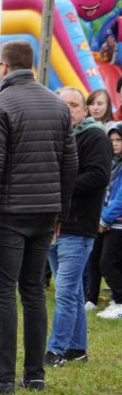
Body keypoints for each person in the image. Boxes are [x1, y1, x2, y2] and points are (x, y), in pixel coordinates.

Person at [0, 40, 78, 395]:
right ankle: (35, 374)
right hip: (45, 212)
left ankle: (0, 379)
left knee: (2, 292)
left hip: (11, 212)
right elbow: (69, 164)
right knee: (34, 292)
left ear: (5, 68)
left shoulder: (1, 105)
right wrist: (62, 211)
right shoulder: (58, 106)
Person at [44, 86, 111, 367]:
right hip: (55, 224)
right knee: (69, 291)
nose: (69, 110)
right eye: (64, 105)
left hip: (78, 224)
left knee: (65, 291)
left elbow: (98, 175)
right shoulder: (57, 138)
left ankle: (55, 350)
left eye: (74, 105)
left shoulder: (94, 135)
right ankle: (76, 348)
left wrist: (59, 189)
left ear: (84, 109)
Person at [87, 122, 122, 311]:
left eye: (119, 140)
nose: (115, 144)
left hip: (116, 223)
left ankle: (120, 301)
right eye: (112, 140)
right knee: (93, 259)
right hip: (103, 219)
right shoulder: (110, 163)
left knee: (108, 262)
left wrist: (104, 219)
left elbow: (120, 199)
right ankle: (91, 299)